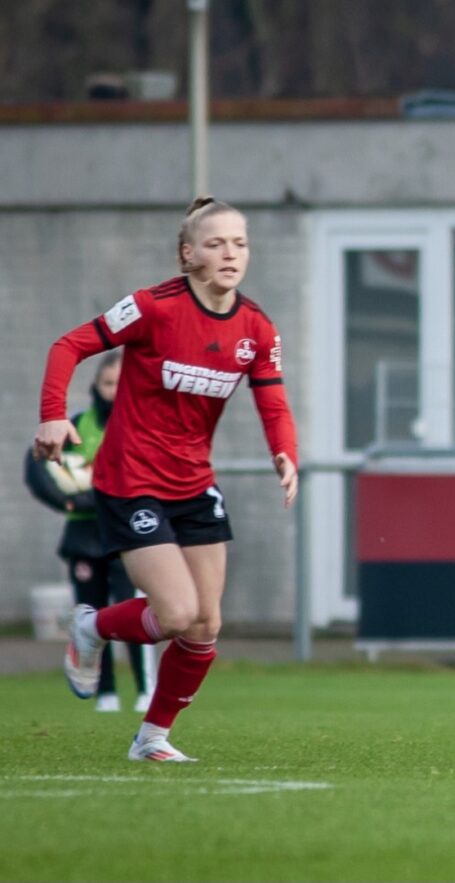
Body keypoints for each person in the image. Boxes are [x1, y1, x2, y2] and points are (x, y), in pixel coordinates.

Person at [34, 196, 299, 763]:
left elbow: (273, 401)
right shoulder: (154, 307)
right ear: (188, 254)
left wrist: (285, 453)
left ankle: (151, 737)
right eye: (216, 243)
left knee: (205, 625)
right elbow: (70, 345)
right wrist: (54, 413)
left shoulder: (256, 326)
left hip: (193, 481)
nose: (230, 253)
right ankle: (92, 626)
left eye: (240, 242)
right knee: (174, 614)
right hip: (130, 478)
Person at [24, 351, 151, 713]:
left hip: (129, 534)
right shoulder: (78, 427)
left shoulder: (143, 426)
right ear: (96, 386)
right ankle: (105, 691)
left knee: (133, 609)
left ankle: (145, 688)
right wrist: (72, 502)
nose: (115, 391)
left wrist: (104, 495)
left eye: (122, 383)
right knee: (93, 613)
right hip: (85, 538)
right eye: (109, 383)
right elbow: (40, 469)